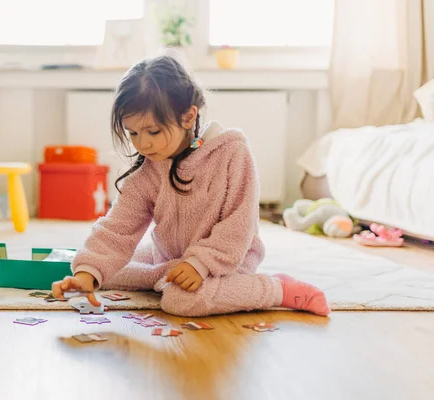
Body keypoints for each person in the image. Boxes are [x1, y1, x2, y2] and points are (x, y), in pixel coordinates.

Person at [52, 55, 330, 317]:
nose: (142, 144)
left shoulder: (232, 152)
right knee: (102, 269)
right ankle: (165, 273)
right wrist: (86, 276)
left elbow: (239, 226)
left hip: (226, 259)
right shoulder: (149, 169)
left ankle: (276, 288)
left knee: (180, 300)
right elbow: (118, 228)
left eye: (153, 131)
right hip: (171, 255)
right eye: (133, 133)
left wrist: (199, 264)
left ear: (188, 117)